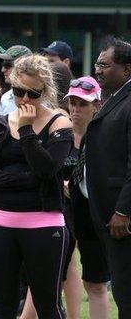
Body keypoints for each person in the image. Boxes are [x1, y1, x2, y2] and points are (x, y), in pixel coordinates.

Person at [0, 54, 73, 318]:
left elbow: (46, 169)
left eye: (31, 94)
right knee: (2, 306)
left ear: (44, 91)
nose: (23, 100)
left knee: (48, 306)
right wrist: (27, 179)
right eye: (17, 91)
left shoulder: (59, 122)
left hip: (44, 224)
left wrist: (26, 131)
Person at [85, 38, 131, 318]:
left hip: (121, 217)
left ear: (126, 69)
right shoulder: (114, 98)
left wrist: (124, 210)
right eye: (97, 64)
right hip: (105, 213)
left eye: (104, 65)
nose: (98, 70)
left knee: (126, 292)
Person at [63, 76, 110, 318]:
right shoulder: (59, 135)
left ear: (97, 105)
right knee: (55, 276)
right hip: (61, 215)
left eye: (82, 103)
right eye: (72, 102)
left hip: (94, 218)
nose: (76, 108)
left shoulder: (105, 137)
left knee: (95, 283)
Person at [0, 45, 33, 116]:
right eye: (3, 65)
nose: (2, 70)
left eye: (8, 65)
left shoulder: (42, 97)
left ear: (25, 67)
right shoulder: (5, 98)